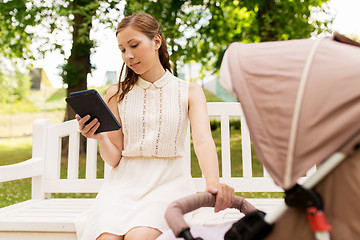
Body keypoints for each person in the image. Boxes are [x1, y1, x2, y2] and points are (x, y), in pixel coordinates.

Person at [75, 12, 235, 240]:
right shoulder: (116, 93)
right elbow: (115, 158)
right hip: (121, 188)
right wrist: (100, 136)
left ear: (157, 41)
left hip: (169, 185)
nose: (128, 56)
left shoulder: (189, 91)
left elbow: (202, 141)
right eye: (122, 49)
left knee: (139, 237)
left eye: (134, 45)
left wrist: (213, 184)